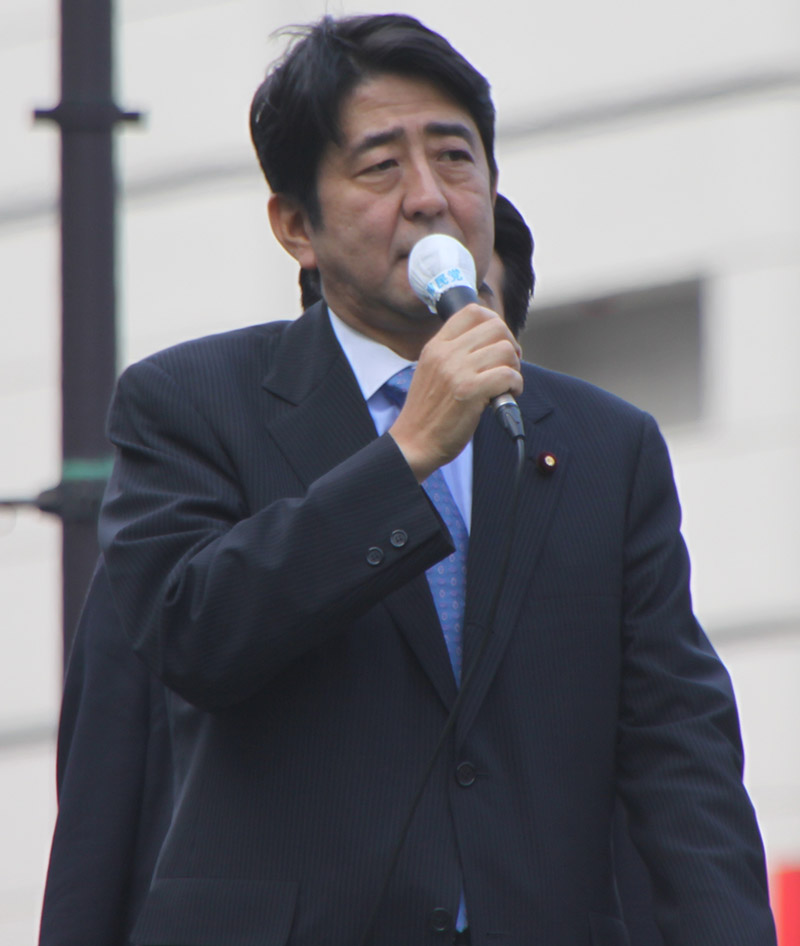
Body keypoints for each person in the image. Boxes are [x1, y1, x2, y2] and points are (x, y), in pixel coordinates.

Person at [97, 13, 776, 946]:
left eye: (455, 158)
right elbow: (193, 636)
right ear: (297, 225)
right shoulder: (190, 402)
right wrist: (403, 456)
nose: (429, 197)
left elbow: (680, 748)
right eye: (380, 166)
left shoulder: (604, 444)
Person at [36, 192, 537, 946]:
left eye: (474, 308)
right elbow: (101, 814)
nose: (445, 350)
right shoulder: (197, 526)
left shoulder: (569, 489)